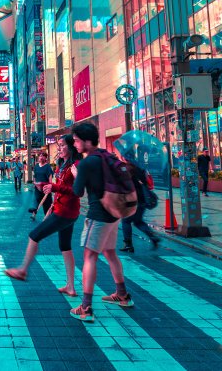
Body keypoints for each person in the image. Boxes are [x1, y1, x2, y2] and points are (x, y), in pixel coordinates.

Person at [5, 135, 82, 297]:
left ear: (72, 147)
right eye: (58, 145)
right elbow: (61, 188)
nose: (59, 148)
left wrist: (53, 188)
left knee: (34, 235)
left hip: (66, 212)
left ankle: (23, 270)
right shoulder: (62, 165)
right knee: (65, 247)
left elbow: (77, 191)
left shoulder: (75, 165)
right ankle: (71, 286)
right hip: (64, 210)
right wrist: (52, 203)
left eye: (62, 145)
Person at [69, 122, 132, 321]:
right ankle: (122, 295)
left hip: (98, 215)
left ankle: (86, 307)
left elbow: (77, 192)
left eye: (77, 141)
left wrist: (77, 175)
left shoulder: (87, 163)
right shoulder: (106, 155)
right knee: (110, 253)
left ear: (88, 141)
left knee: (89, 258)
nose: (75, 144)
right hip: (114, 213)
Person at [119, 161, 160, 252]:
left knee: (125, 221)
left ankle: (128, 244)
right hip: (142, 200)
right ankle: (152, 236)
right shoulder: (141, 170)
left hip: (132, 200)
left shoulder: (128, 172)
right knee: (138, 221)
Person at [30, 153, 54, 218]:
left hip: (45, 188)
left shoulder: (47, 166)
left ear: (46, 158)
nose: (41, 157)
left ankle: (47, 217)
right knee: (36, 201)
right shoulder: (36, 166)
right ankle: (34, 214)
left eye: (43, 156)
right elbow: (35, 176)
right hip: (37, 187)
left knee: (47, 204)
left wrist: (50, 186)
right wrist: (34, 183)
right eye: (40, 156)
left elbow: (50, 176)